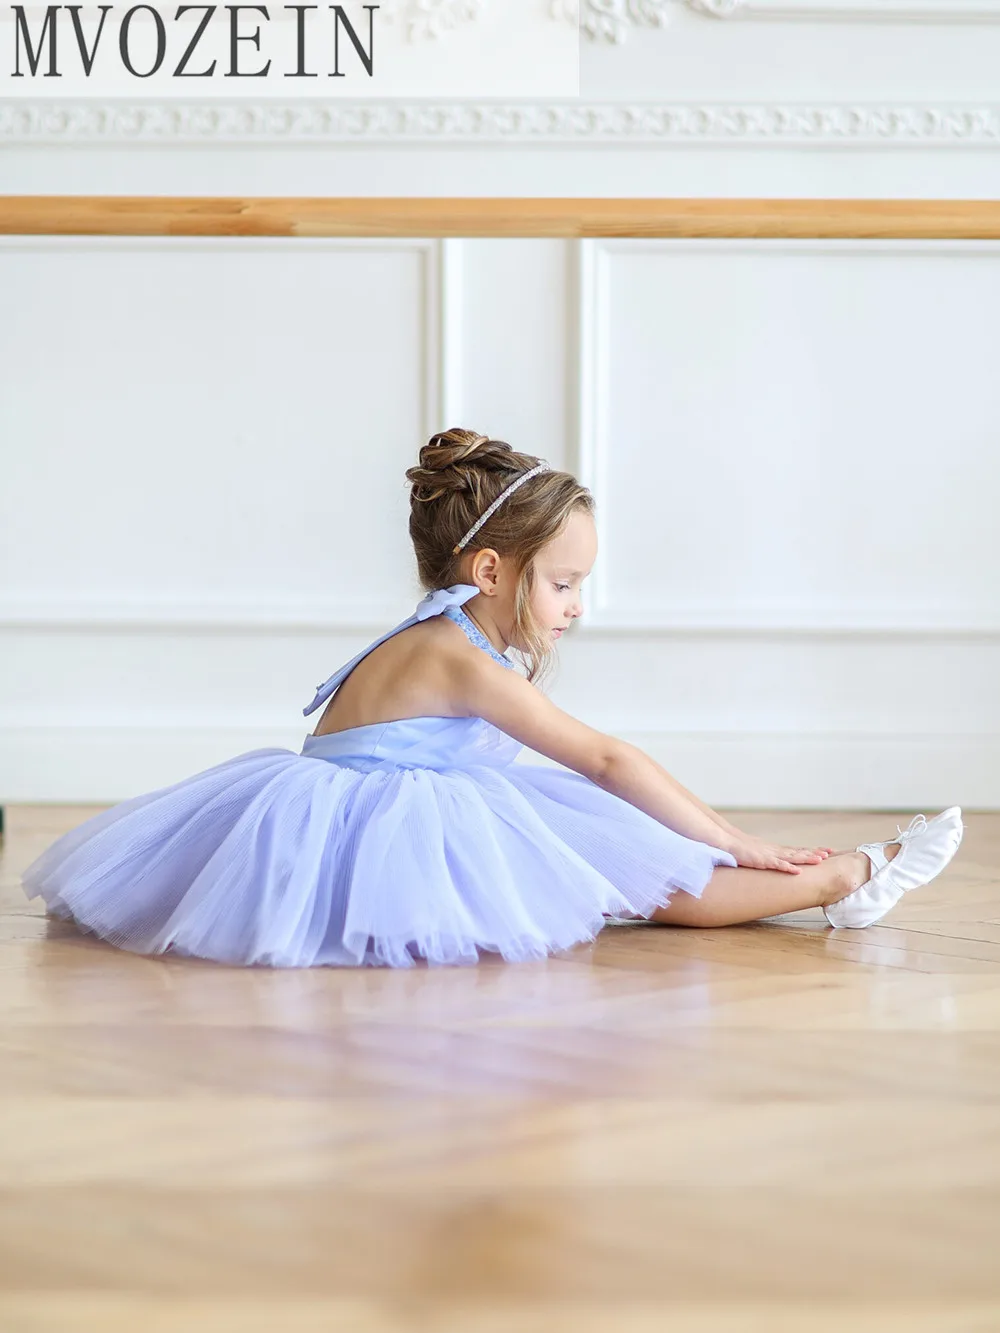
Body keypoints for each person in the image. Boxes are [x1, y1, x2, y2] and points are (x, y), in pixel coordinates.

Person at [21, 428, 964, 968]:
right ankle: (847, 876)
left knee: (634, 857)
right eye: (561, 583)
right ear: (489, 570)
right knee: (664, 877)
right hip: (381, 820)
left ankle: (836, 879)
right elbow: (604, 758)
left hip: (382, 803)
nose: (576, 607)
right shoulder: (458, 654)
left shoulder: (448, 636)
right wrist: (735, 836)